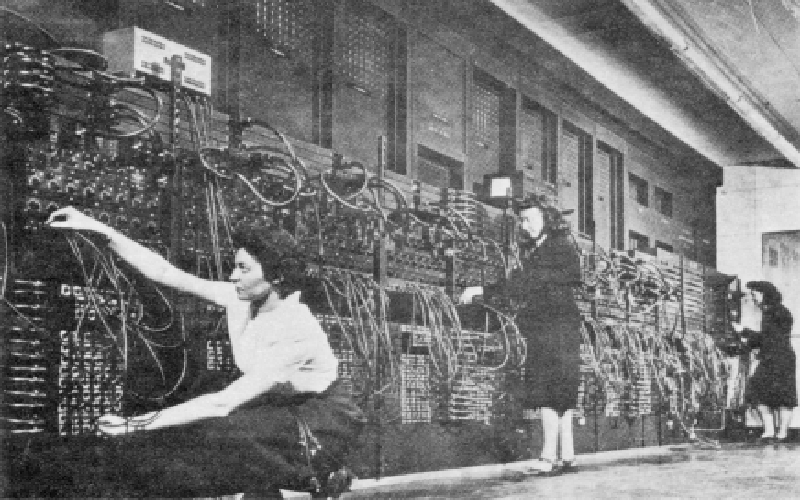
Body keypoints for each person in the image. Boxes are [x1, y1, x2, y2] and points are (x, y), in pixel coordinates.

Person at [10, 206, 365, 498]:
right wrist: (99, 229)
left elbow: (222, 403)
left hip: (320, 418)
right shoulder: (240, 299)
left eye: (243, 268)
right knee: (214, 427)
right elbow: (168, 273)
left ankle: (319, 472)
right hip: (275, 403)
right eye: (234, 266)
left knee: (220, 432)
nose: (232, 276)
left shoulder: (296, 328)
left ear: (275, 277)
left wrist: (135, 425)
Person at [461, 197, 582, 474]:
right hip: (556, 325)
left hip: (554, 326)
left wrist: (482, 291)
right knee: (561, 390)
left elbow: (525, 282)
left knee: (550, 389)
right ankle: (567, 455)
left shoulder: (556, 246)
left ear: (546, 219)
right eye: (523, 220)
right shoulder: (546, 247)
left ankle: (548, 456)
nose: (525, 225)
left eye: (530, 219)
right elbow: (525, 281)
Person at [732, 280, 796, 442]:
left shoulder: (777, 312)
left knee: (782, 396)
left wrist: (744, 331)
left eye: (755, 295)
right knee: (760, 393)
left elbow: (770, 338)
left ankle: (779, 433)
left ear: (765, 294)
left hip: (779, 358)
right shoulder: (772, 312)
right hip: (775, 357)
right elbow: (767, 338)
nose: (753, 299)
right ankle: (772, 432)